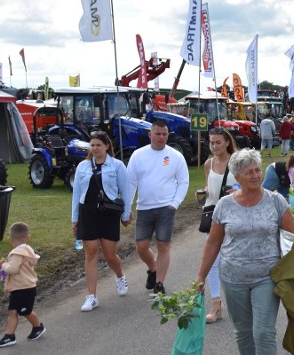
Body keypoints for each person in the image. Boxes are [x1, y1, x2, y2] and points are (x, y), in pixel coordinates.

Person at [195, 149, 294, 355]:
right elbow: (213, 242)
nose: (256, 175)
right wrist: (201, 275)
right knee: (242, 332)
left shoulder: (276, 201)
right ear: (238, 177)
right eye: (249, 171)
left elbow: (291, 237)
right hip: (233, 277)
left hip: (267, 276)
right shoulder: (225, 205)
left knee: (263, 332)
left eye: (257, 169)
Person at [125, 120, 190, 295]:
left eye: (164, 134)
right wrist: (126, 208)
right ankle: (152, 269)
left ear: (168, 135)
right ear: (150, 135)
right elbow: (131, 183)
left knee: (163, 245)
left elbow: (183, 181)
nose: (161, 137)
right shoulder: (138, 155)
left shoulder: (175, 156)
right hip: (144, 207)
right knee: (141, 245)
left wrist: (175, 203)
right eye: (157, 134)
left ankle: (159, 283)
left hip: (165, 208)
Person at [71, 131, 131, 312]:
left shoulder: (117, 166)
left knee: (109, 254)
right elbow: (76, 194)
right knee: (90, 253)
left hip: (108, 211)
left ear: (106, 146)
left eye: (98, 145)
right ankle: (91, 296)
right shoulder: (82, 166)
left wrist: (125, 215)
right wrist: (75, 219)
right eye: (92, 145)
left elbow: (125, 191)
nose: (95, 148)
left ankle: (120, 275)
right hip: (87, 211)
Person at [200, 127, 237, 323]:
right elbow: (210, 188)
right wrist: (204, 191)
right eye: (211, 142)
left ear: (227, 143)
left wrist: (237, 191)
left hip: (236, 216)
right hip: (214, 215)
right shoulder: (208, 164)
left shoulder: (238, 162)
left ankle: (241, 301)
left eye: (218, 142)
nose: (214, 146)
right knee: (212, 260)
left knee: (233, 259)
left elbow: (252, 184)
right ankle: (215, 303)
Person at [0, 222, 46, 348]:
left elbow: (12, 269)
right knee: (12, 312)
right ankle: (9, 336)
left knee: (25, 311)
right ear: (28, 237)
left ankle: (38, 327)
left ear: (10, 239)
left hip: (24, 288)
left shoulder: (17, 253)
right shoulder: (28, 250)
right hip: (20, 287)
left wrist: (3, 265)